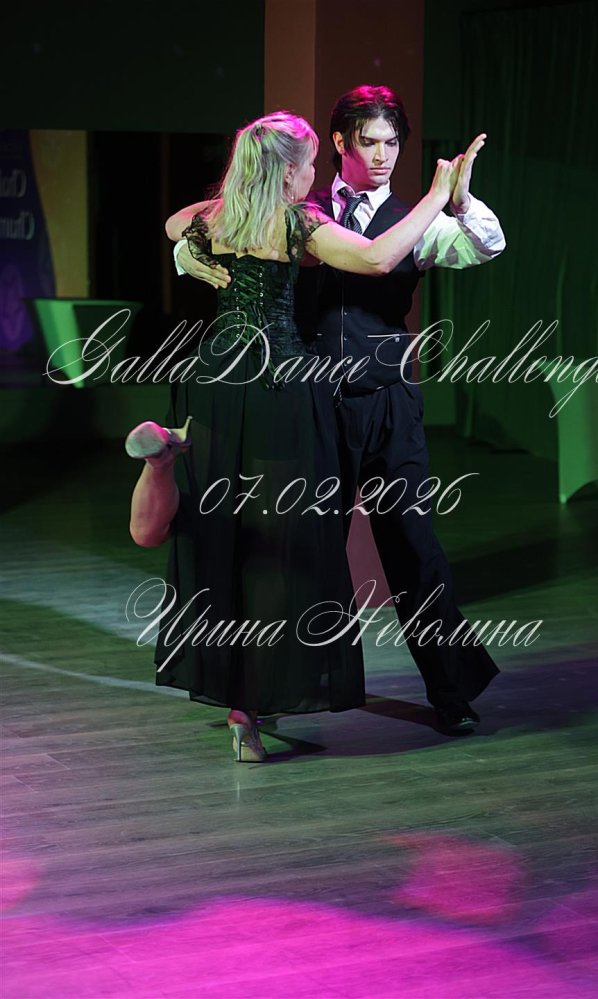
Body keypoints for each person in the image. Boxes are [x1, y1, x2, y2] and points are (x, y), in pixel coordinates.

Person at [169, 86, 506, 737]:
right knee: (300, 551)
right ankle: (269, 687)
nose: (383, 155)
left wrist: (458, 199)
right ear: (340, 144)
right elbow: (199, 231)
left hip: (387, 403)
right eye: (370, 142)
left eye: (394, 143)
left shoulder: (417, 220)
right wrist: (194, 259)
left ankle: (451, 689)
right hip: (312, 407)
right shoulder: (299, 211)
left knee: (415, 547)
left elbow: (486, 245)